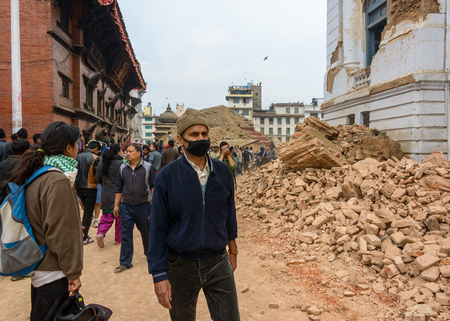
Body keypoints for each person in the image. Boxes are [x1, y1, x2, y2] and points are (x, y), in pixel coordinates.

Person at [148, 108, 240, 321]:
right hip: (180, 266)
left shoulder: (222, 171)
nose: (201, 139)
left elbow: (229, 215)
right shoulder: (167, 176)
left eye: (204, 134)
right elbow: (158, 226)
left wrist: (233, 251)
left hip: (218, 262)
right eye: (194, 135)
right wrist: (159, 274)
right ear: (180, 139)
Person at [9, 121, 83, 321]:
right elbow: (61, 234)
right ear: (68, 147)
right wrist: (73, 272)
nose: (78, 148)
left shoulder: (37, 173)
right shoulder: (57, 179)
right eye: (77, 144)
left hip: (40, 266)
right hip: (54, 270)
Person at [114, 143, 156, 273]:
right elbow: (119, 188)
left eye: (130, 151)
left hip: (143, 206)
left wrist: (155, 204)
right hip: (126, 206)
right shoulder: (122, 168)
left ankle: (151, 257)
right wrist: (116, 205)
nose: (127, 153)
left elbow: (153, 187)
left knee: (146, 232)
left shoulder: (148, 168)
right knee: (126, 234)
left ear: (139, 153)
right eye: (126, 151)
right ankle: (125, 262)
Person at [95, 144, 123, 248]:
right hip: (119, 192)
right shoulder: (121, 163)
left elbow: (97, 177)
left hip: (106, 191)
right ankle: (118, 239)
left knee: (107, 216)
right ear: (118, 152)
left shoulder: (102, 162)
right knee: (120, 218)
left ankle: (101, 233)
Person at [75, 140, 101, 245]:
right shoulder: (95, 158)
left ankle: (81, 234)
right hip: (90, 187)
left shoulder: (77, 156)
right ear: (95, 149)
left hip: (78, 187)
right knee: (88, 213)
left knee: (84, 210)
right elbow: (98, 174)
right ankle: (84, 236)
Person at [0, 139, 31, 204]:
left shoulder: (2, 164)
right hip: (19, 202)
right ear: (27, 150)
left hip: (3, 201)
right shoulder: (26, 166)